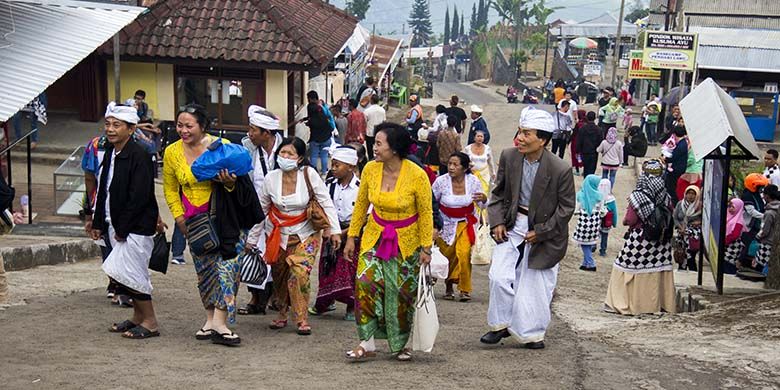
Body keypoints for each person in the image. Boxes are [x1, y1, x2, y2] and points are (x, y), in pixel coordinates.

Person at [163, 104, 262, 346]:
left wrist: (228, 183)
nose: (183, 130)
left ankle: (220, 322)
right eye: (179, 125)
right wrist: (178, 218)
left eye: (189, 126)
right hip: (195, 222)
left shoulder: (222, 147)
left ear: (203, 126)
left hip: (227, 219)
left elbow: (241, 182)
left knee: (228, 270)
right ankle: (210, 320)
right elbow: (170, 188)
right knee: (205, 272)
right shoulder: (171, 152)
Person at [481, 106, 575, 349]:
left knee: (534, 286)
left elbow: (566, 208)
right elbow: (498, 193)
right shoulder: (509, 157)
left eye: (527, 134)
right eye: (520, 132)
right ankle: (500, 325)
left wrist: (542, 231)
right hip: (513, 224)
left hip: (546, 231)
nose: (520, 138)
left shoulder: (560, 169)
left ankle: (531, 334)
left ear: (542, 140)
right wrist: (498, 221)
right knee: (498, 276)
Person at [343, 122, 433, 362]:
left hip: (408, 241)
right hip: (375, 235)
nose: (374, 148)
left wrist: (426, 247)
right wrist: (352, 237)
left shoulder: (417, 175)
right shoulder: (370, 169)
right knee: (365, 283)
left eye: (379, 143)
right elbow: (361, 206)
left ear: (394, 148)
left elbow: (426, 212)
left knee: (402, 293)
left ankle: (400, 344)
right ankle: (367, 343)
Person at [91, 102, 161, 339]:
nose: (110, 129)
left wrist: (124, 227)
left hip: (135, 227)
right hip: (114, 223)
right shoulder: (111, 152)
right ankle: (137, 316)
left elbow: (139, 196)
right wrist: (98, 221)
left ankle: (150, 321)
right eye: (108, 124)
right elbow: (104, 189)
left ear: (131, 129)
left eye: (116, 125)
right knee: (120, 274)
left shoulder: (140, 155)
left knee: (134, 273)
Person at [259, 137, 341, 336]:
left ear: (300, 158)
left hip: (306, 233)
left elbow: (326, 201)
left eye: (290, 154)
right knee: (280, 274)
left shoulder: (309, 174)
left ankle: (301, 317)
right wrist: (252, 240)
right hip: (277, 234)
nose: (285, 157)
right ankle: (281, 312)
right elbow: (261, 209)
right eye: (282, 153)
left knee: (299, 273)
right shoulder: (270, 178)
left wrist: (334, 230)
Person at [604, 160, 675, 316]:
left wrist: (624, 221)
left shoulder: (638, 196)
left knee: (624, 266)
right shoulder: (665, 195)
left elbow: (630, 219)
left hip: (640, 240)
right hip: (661, 244)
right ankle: (657, 305)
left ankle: (624, 303)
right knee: (656, 269)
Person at [238, 105, 284, 316]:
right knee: (254, 251)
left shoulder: (287, 149)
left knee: (278, 255)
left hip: (281, 214)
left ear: (266, 133)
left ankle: (277, 295)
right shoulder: (247, 148)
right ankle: (256, 298)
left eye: (253, 129)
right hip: (255, 211)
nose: (250, 133)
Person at [310, 146, 360, 320]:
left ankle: (352, 307)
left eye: (338, 165)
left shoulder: (360, 187)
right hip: (331, 230)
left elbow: (364, 215)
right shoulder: (329, 185)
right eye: (333, 164)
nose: (333, 168)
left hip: (352, 232)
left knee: (349, 269)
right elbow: (322, 206)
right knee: (327, 267)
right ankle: (325, 302)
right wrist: (329, 229)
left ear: (351, 167)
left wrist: (345, 233)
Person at [433, 152, 487, 302]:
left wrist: (484, 198)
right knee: (448, 256)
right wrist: (433, 224)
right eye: (449, 164)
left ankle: (464, 289)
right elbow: (432, 202)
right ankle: (449, 286)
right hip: (445, 224)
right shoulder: (440, 182)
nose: (451, 167)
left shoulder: (474, 181)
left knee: (463, 254)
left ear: (464, 168)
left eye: (455, 165)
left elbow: (482, 204)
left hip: (465, 223)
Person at [573, 175, 605, 272]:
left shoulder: (580, 195)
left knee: (583, 243)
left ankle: (590, 263)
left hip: (584, 222)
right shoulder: (600, 195)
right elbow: (602, 210)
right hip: (595, 222)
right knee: (589, 242)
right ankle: (585, 263)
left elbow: (576, 210)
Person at [741, 173, 770, 269]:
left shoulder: (757, 195)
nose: (761, 188)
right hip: (747, 226)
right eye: (759, 186)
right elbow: (751, 211)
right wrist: (764, 216)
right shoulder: (747, 195)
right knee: (746, 246)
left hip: (756, 225)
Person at [303, 91, 334, 173]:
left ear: (310, 99)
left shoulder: (310, 107)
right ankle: (324, 172)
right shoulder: (321, 108)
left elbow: (312, 120)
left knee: (314, 156)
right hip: (326, 136)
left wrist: (307, 123)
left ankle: (312, 172)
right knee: (324, 155)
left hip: (315, 138)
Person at [673, 185, 702, 271]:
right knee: (681, 256)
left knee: (691, 257)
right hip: (681, 234)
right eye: (688, 193)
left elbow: (706, 219)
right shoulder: (680, 204)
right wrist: (680, 226)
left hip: (692, 235)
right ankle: (682, 271)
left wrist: (699, 222)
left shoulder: (699, 206)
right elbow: (675, 218)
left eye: (693, 194)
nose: (690, 195)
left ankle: (693, 273)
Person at [755, 185, 780, 274]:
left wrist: (757, 236)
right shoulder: (777, 209)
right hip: (776, 243)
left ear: (767, 196)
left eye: (764, 194)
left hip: (767, 243)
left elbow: (764, 230)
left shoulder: (769, 213)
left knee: (763, 266)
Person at [665, 126, 689, 204]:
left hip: (677, 170)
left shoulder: (681, 145)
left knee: (672, 188)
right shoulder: (682, 143)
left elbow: (674, 157)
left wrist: (665, 160)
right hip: (678, 169)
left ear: (675, 134)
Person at [723, 198, 745, 275]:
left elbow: (735, 235)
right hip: (726, 244)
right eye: (730, 206)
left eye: (733, 207)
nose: (730, 209)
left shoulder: (739, 221)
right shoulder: (728, 216)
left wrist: (724, 241)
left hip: (733, 245)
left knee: (729, 264)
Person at [576, 111, 602, 177]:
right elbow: (600, 141)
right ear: (595, 118)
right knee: (592, 169)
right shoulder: (598, 129)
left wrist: (577, 151)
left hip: (584, 151)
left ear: (587, 117)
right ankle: (590, 183)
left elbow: (579, 140)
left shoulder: (582, 128)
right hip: (594, 152)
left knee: (586, 169)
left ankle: (586, 182)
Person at [597, 178, 618, 257]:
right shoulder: (611, 199)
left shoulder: (596, 196)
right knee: (605, 235)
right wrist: (614, 222)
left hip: (597, 219)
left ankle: (593, 246)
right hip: (607, 220)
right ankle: (603, 250)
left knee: (595, 233)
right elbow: (614, 211)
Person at [363, 94, 386, 160]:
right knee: (379, 147)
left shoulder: (367, 111)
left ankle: (371, 160)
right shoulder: (382, 110)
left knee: (370, 149)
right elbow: (384, 121)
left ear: (371, 101)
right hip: (379, 132)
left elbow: (365, 122)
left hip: (369, 133)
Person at [570, 109, 587, 176]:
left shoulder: (578, 124)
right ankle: (584, 171)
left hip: (576, 142)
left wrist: (569, 141)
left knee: (576, 155)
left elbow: (574, 133)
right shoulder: (586, 124)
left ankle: (577, 170)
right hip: (585, 143)